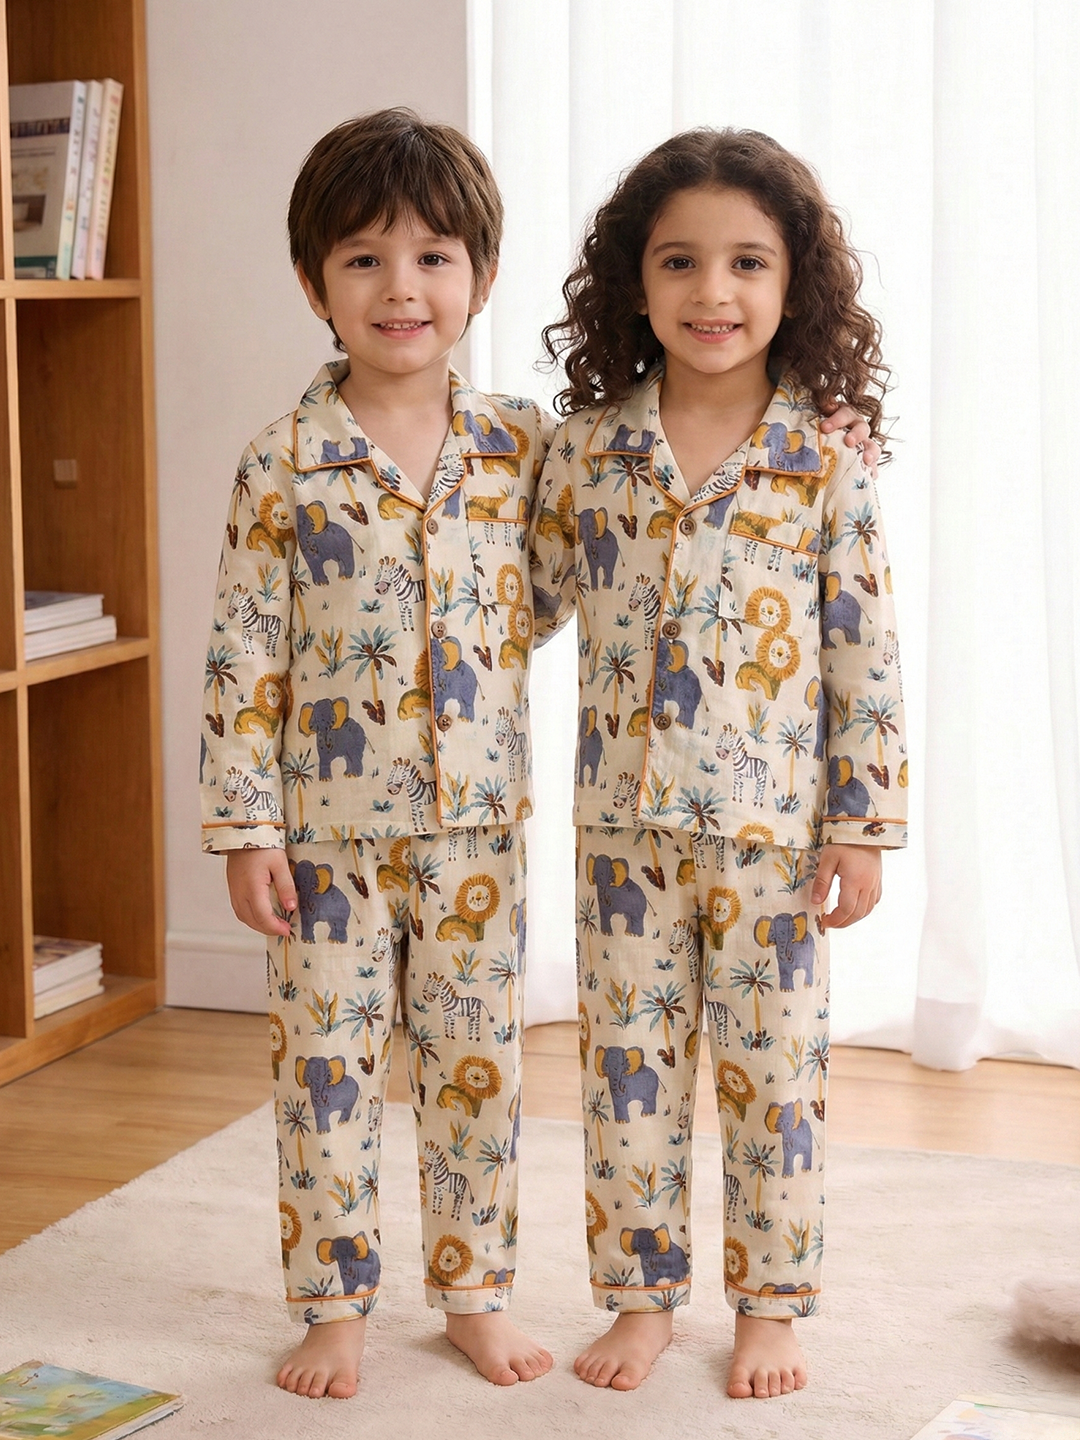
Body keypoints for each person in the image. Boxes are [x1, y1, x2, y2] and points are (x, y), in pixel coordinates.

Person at [531, 127, 906, 1399]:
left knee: (774, 1081)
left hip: (774, 841)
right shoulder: (585, 453)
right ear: (633, 282)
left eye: (748, 262)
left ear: (794, 284)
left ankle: (771, 1307)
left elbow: (863, 655)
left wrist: (861, 826)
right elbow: (520, 602)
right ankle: (641, 1299)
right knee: (626, 1073)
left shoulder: (826, 461)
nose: (713, 291)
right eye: (679, 261)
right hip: (620, 833)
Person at [200, 108, 555, 1399]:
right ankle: (335, 1306)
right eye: (364, 259)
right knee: (326, 1079)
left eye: (432, 257)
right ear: (316, 285)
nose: (401, 287)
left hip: (479, 834)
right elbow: (244, 656)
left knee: (478, 1073)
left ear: (481, 278)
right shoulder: (282, 463)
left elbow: (592, 568)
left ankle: (473, 1294)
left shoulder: (525, 448)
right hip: (323, 842)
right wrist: (246, 832)